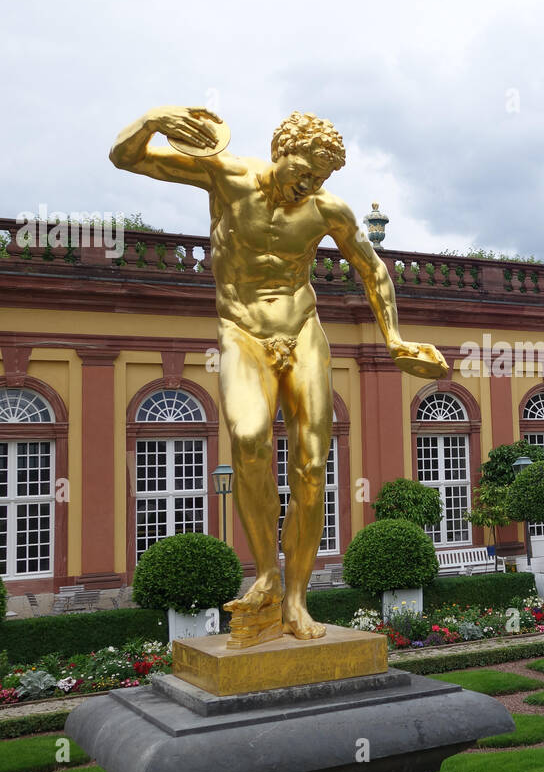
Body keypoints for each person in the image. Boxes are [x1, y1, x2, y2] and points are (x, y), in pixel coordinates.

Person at [110, 106, 447, 641]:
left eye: (321, 177)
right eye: (305, 172)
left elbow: (372, 268)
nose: (309, 184)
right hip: (242, 332)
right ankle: (266, 572)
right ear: (280, 152)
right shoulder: (225, 175)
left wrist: (394, 339)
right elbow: (126, 157)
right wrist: (155, 119)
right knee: (248, 439)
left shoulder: (326, 210)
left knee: (313, 466)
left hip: (304, 330)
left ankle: (295, 600)